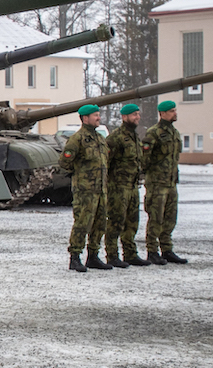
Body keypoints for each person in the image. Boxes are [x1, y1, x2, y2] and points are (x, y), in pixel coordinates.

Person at [60, 104, 110, 273]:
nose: (98, 118)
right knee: (82, 223)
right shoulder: (77, 139)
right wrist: (81, 176)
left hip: (101, 189)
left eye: (98, 115)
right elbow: (65, 162)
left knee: (100, 223)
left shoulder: (100, 139)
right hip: (85, 190)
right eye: (95, 115)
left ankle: (93, 256)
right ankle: (75, 257)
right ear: (85, 118)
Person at [141, 101, 188, 265]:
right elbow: (144, 159)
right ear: (162, 114)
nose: (175, 113)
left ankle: (167, 249)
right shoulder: (154, 133)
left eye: (175, 110)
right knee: (156, 217)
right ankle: (152, 250)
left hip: (170, 182)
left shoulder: (174, 133)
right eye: (171, 111)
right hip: (157, 183)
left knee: (170, 217)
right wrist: (150, 176)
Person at [105, 103, 149, 267]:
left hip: (132, 186)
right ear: (124, 117)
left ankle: (130, 253)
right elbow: (106, 162)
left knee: (132, 221)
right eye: (133, 115)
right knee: (116, 221)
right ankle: (112, 255)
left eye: (138, 114)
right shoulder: (116, 138)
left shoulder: (134, 137)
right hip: (118, 187)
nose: (137, 117)